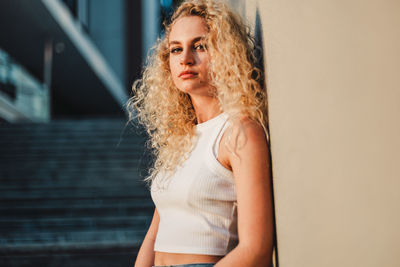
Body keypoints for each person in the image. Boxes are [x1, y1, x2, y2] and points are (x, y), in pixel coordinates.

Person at [126, 0, 274, 266]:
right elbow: (154, 235)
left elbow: (257, 248)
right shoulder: (179, 138)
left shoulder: (239, 132)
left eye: (200, 45)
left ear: (225, 51)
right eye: (175, 49)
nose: (185, 59)